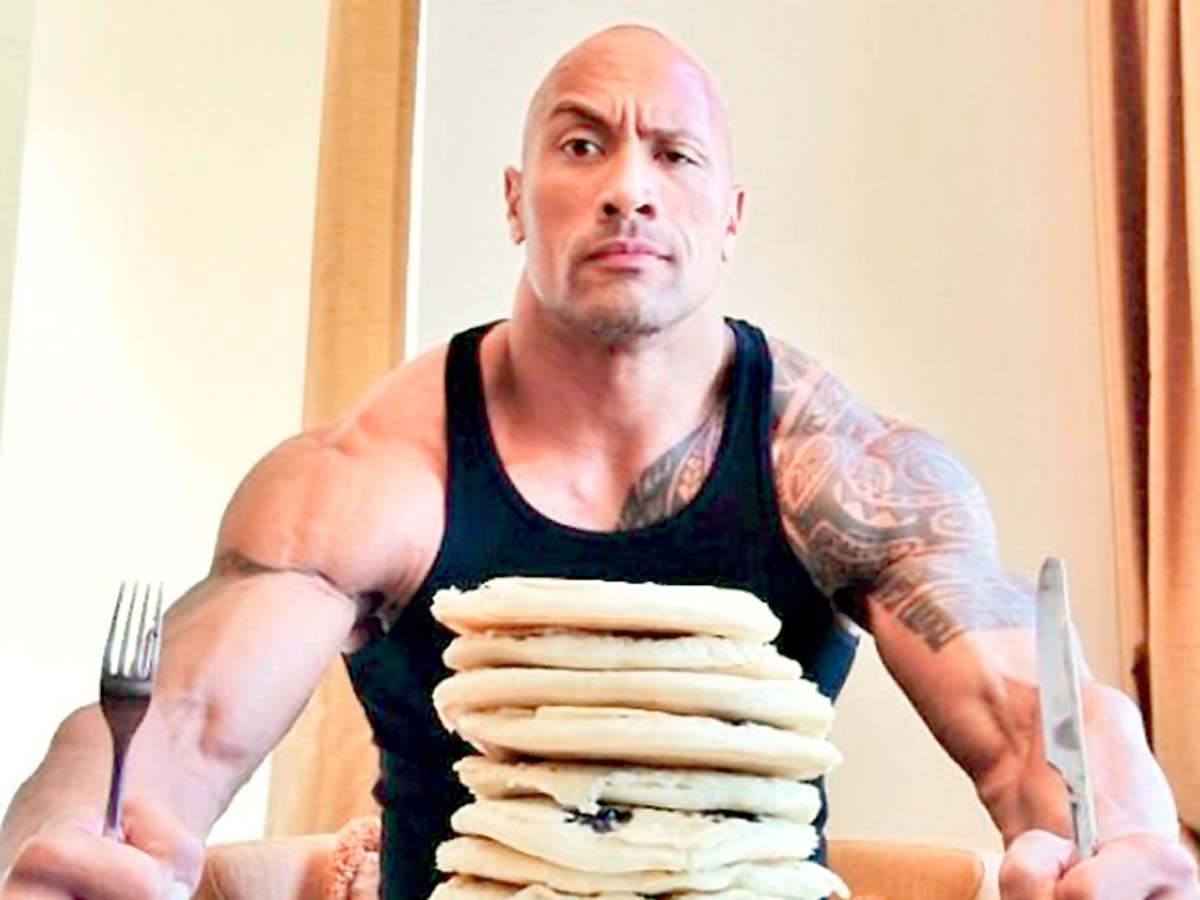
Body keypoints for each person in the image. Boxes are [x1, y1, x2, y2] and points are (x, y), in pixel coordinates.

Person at [2, 23, 1197, 900]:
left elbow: (1034, 720)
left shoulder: (840, 471)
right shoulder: (374, 477)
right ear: (516, 200)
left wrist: (1130, 836)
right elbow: (168, 728)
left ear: (730, 217)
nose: (628, 189)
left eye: (674, 156)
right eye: (583, 145)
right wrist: (57, 849)